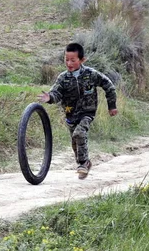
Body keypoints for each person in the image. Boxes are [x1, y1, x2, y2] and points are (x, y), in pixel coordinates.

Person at [38, 43, 118, 179]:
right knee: (75, 141)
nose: (69, 63)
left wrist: (112, 106)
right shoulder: (63, 78)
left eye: (73, 60)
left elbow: (108, 85)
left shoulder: (91, 74)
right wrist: (49, 97)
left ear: (82, 60)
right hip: (71, 115)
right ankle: (84, 162)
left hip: (87, 113)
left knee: (79, 133)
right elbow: (56, 93)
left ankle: (83, 164)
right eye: (66, 59)